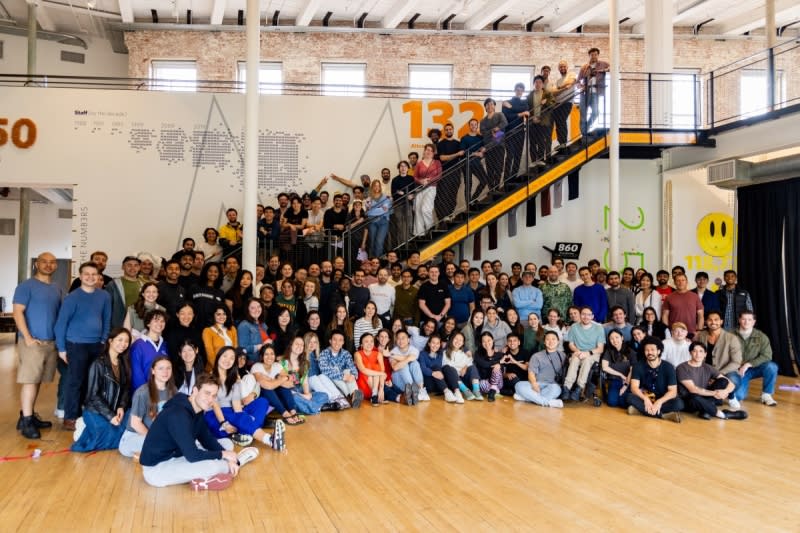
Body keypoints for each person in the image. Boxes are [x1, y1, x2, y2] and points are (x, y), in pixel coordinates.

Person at [139, 373, 264, 489]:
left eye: (214, 396)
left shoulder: (197, 410)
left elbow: (207, 440)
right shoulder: (177, 414)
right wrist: (224, 456)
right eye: (207, 393)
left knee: (227, 443)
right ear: (195, 391)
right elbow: (192, 456)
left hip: (176, 455)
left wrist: (226, 455)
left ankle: (217, 470)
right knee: (217, 466)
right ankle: (238, 462)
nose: (210, 399)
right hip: (157, 469)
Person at [55, 261, 112, 431]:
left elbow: (107, 319)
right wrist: (61, 348)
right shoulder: (72, 297)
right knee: (75, 381)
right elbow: (61, 324)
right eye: (86, 274)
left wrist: (103, 340)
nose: (90, 277)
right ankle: (71, 417)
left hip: (97, 345)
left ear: (99, 277)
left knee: (93, 381)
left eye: (94, 274)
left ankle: (88, 414)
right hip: (76, 344)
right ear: (80, 276)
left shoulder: (104, 296)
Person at [13, 252, 62, 439]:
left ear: (56, 265)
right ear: (36, 264)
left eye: (52, 262)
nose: (48, 265)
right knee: (30, 380)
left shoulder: (57, 287)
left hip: (51, 342)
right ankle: (26, 422)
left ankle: (28, 415)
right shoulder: (26, 286)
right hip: (32, 342)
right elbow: (18, 312)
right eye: (44, 262)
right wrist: (27, 337)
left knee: (38, 379)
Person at [71, 328, 132, 452]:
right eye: (120, 340)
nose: (123, 344)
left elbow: (126, 389)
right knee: (112, 439)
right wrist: (110, 416)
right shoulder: (98, 363)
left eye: (126, 341)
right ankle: (84, 428)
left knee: (129, 424)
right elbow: (92, 396)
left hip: (115, 410)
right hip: (96, 411)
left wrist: (121, 406)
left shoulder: (123, 363)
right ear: (110, 341)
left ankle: (92, 431)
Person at [206, 346, 277, 447]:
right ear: (218, 357)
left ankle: (244, 432)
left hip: (232, 413)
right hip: (216, 415)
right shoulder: (210, 378)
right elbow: (215, 404)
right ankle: (269, 439)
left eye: (232, 358)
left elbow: (237, 408)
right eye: (225, 356)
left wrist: (242, 416)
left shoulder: (234, 379)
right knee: (231, 419)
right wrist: (224, 423)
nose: (228, 360)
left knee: (262, 402)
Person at [119, 356, 177, 458]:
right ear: (153, 371)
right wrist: (154, 438)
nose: (165, 372)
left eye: (168, 368)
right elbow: (135, 423)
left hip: (160, 436)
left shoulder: (173, 390)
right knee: (164, 446)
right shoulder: (142, 392)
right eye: (161, 368)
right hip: (135, 437)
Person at [676, 342, 746, 420]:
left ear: (705, 354)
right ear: (690, 353)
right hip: (689, 400)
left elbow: (731, 384)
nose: (698, 354)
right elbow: (693, 389)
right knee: (694, 397)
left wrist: (725, 392)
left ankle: (705, 411)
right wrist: (715, 393)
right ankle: (723, 414)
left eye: (701, 351)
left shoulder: (708, 367)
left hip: (704, 396)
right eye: (694, 351)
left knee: (723, 381)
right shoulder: (682, 368)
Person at [625, 337, 683, 423]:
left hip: (662, 398)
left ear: (659, 351)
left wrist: (659, 402)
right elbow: (634, 388)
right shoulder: (638, 366)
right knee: (629, 397)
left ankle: (640, 411)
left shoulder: (669, 367)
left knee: (679, 403)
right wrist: (645, 399)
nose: (649, 352)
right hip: (646, 396)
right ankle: (663, 415)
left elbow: (673, 391)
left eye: (652, 350)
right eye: (647, 350)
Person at [693, 310, 743, 409]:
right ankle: (714, 399)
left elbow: (736, 362)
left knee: (733, 379)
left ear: (721, 321)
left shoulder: (731, 338)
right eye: (710, 320)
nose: (713, 322)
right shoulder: (700, 335)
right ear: (706, 322)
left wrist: (718, 374)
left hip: (725, 371)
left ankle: (731, 396)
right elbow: (694, 352)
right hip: (705, 370)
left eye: (716, 320)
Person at [729, 311, 779, 407]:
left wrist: (748, 364)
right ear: (739, 320)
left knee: (771, 366)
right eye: (743, 319)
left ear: (754, 322)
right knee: (739, 396)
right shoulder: (730, 335)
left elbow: (767, 356)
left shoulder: (761, 336)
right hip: (738, 370)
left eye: (749, 320)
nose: (746, 322)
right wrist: (735, 367)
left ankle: (766, 395)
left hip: (755, 368)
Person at [560, 306, 605, 403]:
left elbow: (600, 349)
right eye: (583, 314)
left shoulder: (598, 328)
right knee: (574, 359)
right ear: (580, 315)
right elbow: (571, 344)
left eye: (589, 315)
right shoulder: (574, 327)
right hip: (578, 351)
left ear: (592, 316)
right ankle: (566, 388)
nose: (586, 317)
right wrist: (578, 351)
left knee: (587, 360)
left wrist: (588, 353)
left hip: (593, 353)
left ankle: (579, 388)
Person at [251, 345, 304, 425]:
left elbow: (291, 384)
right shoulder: (256, 367)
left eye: (272, 354)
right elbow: (267, 386)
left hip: (277, 399)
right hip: (263, 398)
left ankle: (293, 412)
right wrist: (283, 378)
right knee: (266, 389)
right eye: (266, 354)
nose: (269, 357)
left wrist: (272, 380)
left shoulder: (277, 366)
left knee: (284, 388)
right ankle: (285, 414)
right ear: (262, 356)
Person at [514, 331, 565, 408]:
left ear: (558, 341)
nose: (550, 341)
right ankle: (548, 402)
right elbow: (531, 373)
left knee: (557, 389)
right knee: (519, 385)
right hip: (537, 384)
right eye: (548, 339)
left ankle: (528, 398)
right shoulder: (536, 356)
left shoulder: (563, 356)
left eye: (553, 339)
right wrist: (534, 384)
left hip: (552, 385)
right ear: (544, 342)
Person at [280, 336, 330, 414]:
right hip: (290, 393)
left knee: (324, 395)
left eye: (302, 345)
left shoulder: (304, 363)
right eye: (297, 344)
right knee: (295, 398)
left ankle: (305, 407)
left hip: (301, 391)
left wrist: (307, 394)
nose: (299, 346)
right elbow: (283, 385)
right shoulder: (282, 362)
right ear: (291, 345)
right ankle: (315, 408)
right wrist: (301, 396)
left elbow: (305, 383)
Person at [317, 330, 364, 407]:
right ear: (330, 341)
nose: (337, 342)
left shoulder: (346, 353)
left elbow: (352, 367)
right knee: (334, 370)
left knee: (348, 371)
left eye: (340, 340)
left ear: (343, 342)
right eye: (335, 340)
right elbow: (324, 369)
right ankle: (351, 395)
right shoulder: (324, 353)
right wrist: (342, 376)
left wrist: (353, 375)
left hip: (347, 383)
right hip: (332, 383)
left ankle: (353, 394)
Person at [130, 309, 169, 391]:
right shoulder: (138, 345)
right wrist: (145, 393)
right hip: (143, 392)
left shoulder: (164, 345)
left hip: (161, 391)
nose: (160, 324)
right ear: (148, 323)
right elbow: (136, 374)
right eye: (156, 320)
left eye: (162, 321)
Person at [388, 329, 430, 404]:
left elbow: (413, 358)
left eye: (403, 338)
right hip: (398, 381)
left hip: (412, 381)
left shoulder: (414, 350)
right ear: (396, 340)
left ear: (408, 340)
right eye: (398, 338)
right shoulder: (393, 352)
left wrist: (397, 358)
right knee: (403, 365)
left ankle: (421, 390)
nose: (401, 341)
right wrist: (407, 359)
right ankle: (412, 391)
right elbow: (395, 367)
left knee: (415, 363)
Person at [440, 332, 482, 403]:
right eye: (456, 339)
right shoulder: (445, 352)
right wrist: (459, 371)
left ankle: (476, 390)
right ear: (452, 339)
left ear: (463, 343)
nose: (458, 341)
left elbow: (470, 361)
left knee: (472, 367)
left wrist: (465, 367)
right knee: (449, 368)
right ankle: (465, 390)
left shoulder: (463, 353)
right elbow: (447, 366)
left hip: (463, 378)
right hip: (453, 381)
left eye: (460, 340)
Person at [577, 47, 610, 136]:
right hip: (585, 93)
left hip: (596, 92)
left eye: (595, 54)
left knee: (595, 112)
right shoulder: (584, 67)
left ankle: (585, 130)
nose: (594, 56)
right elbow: (578, 81)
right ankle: (583, 134)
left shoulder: (603, 64)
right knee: (583, 114)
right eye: (592, 55)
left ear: (598, 55)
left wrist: (603, 70)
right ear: (589, 56)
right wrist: (581, 86)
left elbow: (614, 67)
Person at [600, 328, 636, 408]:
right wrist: (620, 374)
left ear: (622, 338)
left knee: (623, 403)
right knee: (612, 403)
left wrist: (625, 385)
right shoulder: (609, 351)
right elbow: (605, 367)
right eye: (611, 338)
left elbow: (632, 370)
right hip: (614, 380)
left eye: (617, 337)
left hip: (628, 380)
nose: (614, 340)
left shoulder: (630, 351)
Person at [413, 143, 442, 235]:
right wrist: (421, 181)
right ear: (424, 151)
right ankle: (419, 234)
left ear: (433, 153)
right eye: (427, 150)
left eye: (431, 150)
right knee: (418, 211)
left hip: (431, 188)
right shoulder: (419, 163)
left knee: (425, 209)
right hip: (420, 188)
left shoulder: (437, 163)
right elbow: (415, 177)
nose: (429, 152)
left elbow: (439, 175)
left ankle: (430, 229)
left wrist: (429, 181)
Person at [106, 255, 143, 328]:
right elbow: (107, 308)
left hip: (139, 325)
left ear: (139, 268)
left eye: (136, 265)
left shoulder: (143, 285)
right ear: (123, 267)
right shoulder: (113, 284)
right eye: (129, 265)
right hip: (119, 325)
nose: (133, 268)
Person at [479, 98, 508, 187]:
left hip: (499, 147)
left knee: (499, 168)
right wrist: (494, 130)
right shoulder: (483, 121)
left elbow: (505, 123)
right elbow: (484, 134)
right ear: (485, 107)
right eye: (487, 105)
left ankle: (497, 187)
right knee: (490, 170)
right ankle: (491, 189)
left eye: (491, 104)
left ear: (494, 106)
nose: (490, 106)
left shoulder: (500, 115)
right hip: (489, 148)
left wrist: (498, 129)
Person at [201, 304, 238, 371]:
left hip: (230, 366)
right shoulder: (207, 331)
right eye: (218, 314)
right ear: (213, 315)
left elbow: (235, 350)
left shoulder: (232, 329)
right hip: (214, 368)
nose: (222, 316)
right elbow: (210, 354)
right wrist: (219, 369)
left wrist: (233, 367)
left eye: (224, 314)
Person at [354, 333, 387, 406]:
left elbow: (383, 374)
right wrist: (381, 373)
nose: (369, 344)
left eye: (371, 341)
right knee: (369, 367)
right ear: (361, 344)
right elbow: (363, 370)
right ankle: (374, 394)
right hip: (363, 384)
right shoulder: (357, 354)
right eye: (366, 341)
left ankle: (375, 395)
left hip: (377, 386)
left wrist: (381, 390)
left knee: (376, 367)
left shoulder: (378, 354)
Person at [237, 298, 272, 363]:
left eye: (258, 307)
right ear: (247, 310)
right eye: (253, 308)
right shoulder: (243, 325)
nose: (257, 310)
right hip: (252, 362)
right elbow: (243, 349)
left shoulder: (262, 323)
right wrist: (261, 346)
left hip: (264, 360)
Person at [473, 331, 504, 401]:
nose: (486, 343)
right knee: (480, 383)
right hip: (485, 382)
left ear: (493, 340)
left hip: (498, 382)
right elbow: (484, 364)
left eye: (488, 340)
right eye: (484, 341)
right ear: (481, 343)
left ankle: (493, 389)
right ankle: (494, 390)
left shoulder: (499, 354)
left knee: (497, 368)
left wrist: (498, 365)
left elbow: (501, 371)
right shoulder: (478, 354)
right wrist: (498, 362)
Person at [364, 179, 391, 257]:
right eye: (375, 186)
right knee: (371, 241)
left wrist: (373, 209)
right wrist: (379, 208)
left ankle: (378, 260)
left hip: (383, 222)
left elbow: (384, 210)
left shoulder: (385, 198)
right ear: (372, 187)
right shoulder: (369, 199)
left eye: (378, 186)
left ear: (380, 187)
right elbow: (368, 213)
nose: (377, 187)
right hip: (372, 222)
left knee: (379, 242)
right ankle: (371, 259)